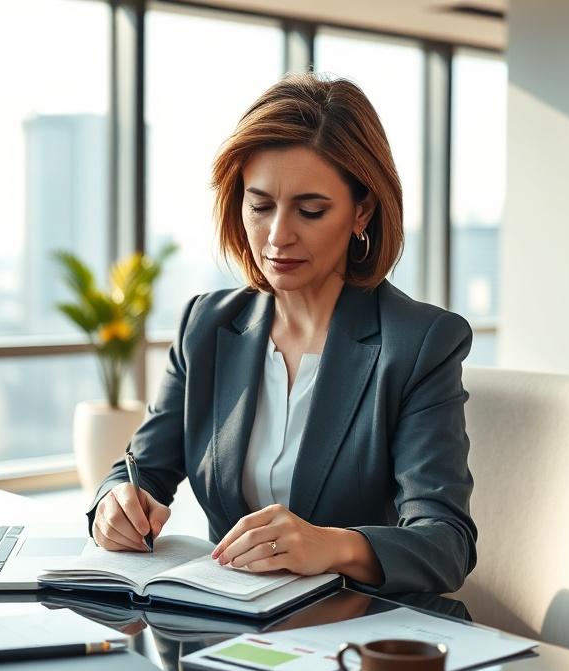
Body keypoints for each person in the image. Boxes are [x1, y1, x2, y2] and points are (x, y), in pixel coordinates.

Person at [87, 72, 476, 594]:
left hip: (352, 635)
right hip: (225, 631)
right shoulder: (206, 327)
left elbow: (447, 544)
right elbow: (141, 470)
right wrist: (115, 505)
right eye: (260, 205)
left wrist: (332, 545)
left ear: (362, 210)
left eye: (311, 210)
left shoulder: (420, 343)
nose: (277, 237)